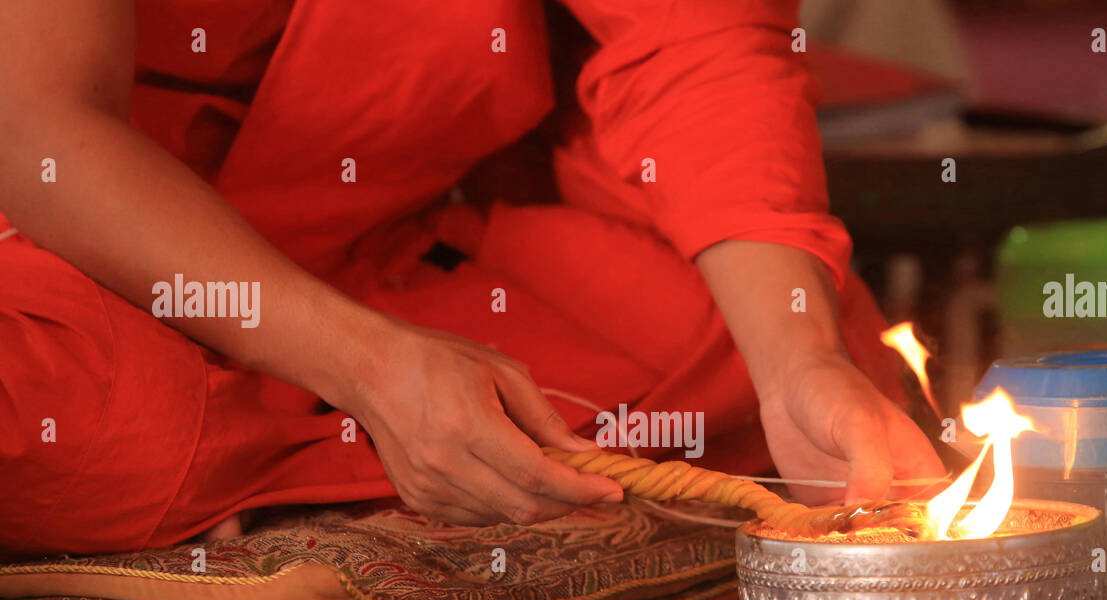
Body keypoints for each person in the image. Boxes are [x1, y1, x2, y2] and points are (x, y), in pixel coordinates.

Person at [0, 0, 942, 557]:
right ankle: (364, 432)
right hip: (76, 245)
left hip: (377, 232)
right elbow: (38, 130)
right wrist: (364, 365)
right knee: (105, 422)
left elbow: (693, 45)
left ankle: (341, 449)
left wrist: (797, 362)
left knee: (764, 342)